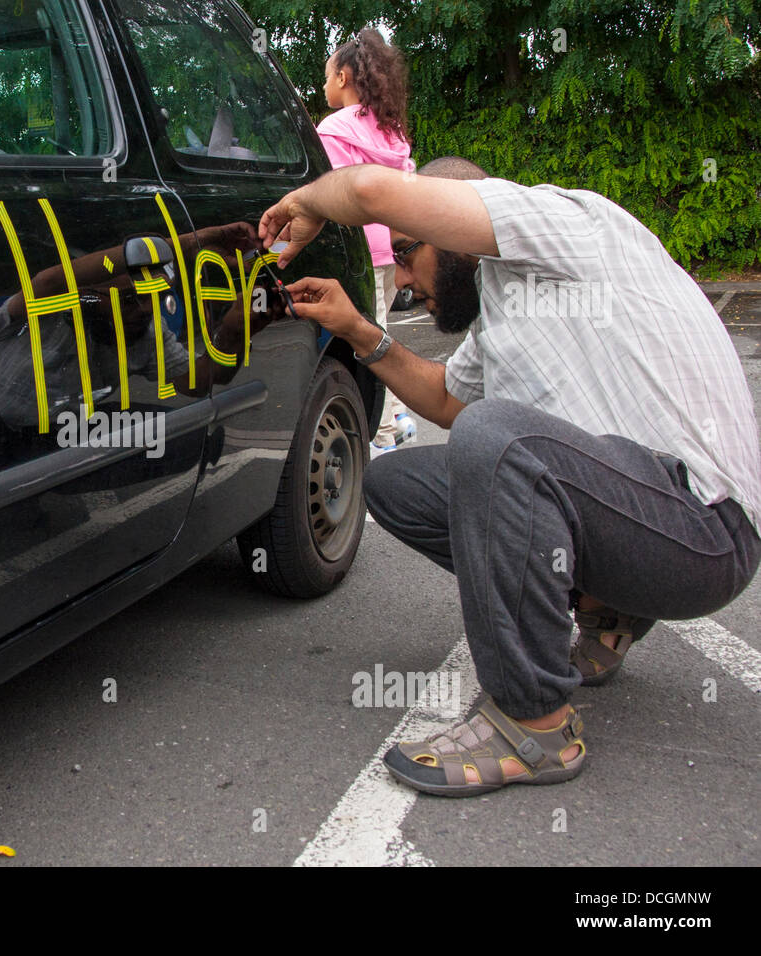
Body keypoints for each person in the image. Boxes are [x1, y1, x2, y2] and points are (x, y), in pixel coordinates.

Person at [258, 156, 761, 796]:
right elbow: (444, 398)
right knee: (396, 485)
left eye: (408, 252)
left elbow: (366, 187)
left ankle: (535, 725)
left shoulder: (557, 224)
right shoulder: (499, 310)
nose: (406, 280)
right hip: (643, 518)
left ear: (452, 219)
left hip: (705, 529)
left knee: (493, 437)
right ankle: (608, 610)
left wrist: (312, 202)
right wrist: (356, 328)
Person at [317, 28, 417, 455]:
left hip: (359, 252)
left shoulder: (336, 129)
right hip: (391, 250)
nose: (323, 86)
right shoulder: (390, 131)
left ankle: (383, 435)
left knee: (366, 340)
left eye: (325, 77)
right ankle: (397, 418)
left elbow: (334, 195)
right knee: (381, 330)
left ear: (342, 77)